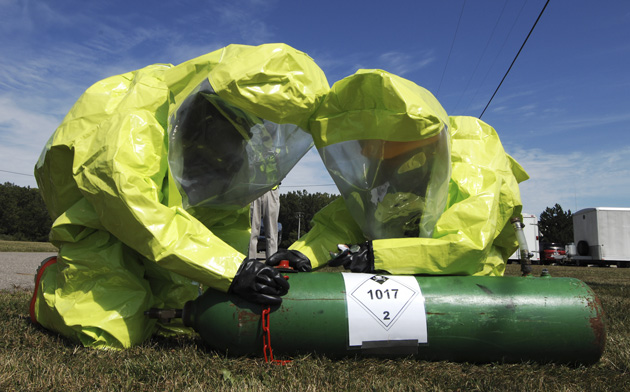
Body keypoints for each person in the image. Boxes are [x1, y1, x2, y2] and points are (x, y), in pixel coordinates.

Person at [31, 43, 329, 349]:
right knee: (108, 331)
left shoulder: (228, 151)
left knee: (182, 322)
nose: (248, 141)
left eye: (251, 130)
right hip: (94, 209)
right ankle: (51, 284)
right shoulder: (137, 121)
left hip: (153, 218)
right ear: (210, 115)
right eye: (240, 127)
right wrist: (232, 271)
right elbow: (131, 207)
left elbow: (224, 221)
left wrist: (239, 271)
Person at [268, 69, 528, 276]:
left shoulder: (474, 163)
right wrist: (303, 253)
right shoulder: (392, 169)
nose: (381, 170)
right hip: (397, 274)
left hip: (470, 286)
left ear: (424, 147)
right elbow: (349, 219)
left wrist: (377, 255)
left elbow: (467, 246)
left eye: (391, 159)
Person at [248, 185, 280, 260]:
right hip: (254, 189)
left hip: (271, 189)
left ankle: (272, 263)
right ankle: (250, 264)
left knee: (271, 233)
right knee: (252, 232)